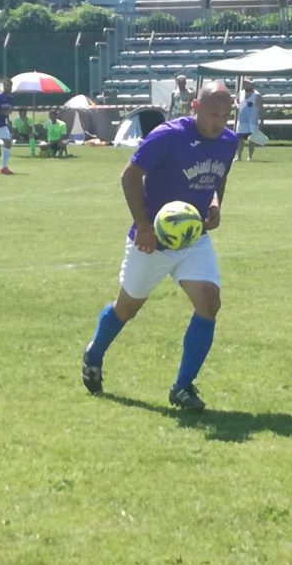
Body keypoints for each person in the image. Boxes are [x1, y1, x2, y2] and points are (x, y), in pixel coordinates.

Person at [79, 81, 238, 411]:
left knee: (209, 303)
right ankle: (94, 354)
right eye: (212, 114)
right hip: (151, 240)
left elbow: (218, 177)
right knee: (127, 309)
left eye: (225, 115)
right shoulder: (168, 135)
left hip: (192, 238)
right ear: (195, 107)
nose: (218, 122)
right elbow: (130, 175)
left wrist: (215, 204)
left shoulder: (228, 141)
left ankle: (182, 388)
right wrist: (143, 225)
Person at [234, 80, 263, 161]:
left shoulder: (256, 95)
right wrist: (236, 104)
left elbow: (260, 108)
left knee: (252, 139)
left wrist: (261, 120)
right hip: (242, 120)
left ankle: (250, 157)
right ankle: (238, 157)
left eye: (247, 84)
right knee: (239, 138)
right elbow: (235, 100)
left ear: (252, 85)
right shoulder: (241, 93)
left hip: (252, 121)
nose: (245, 85)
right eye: (244, 84)